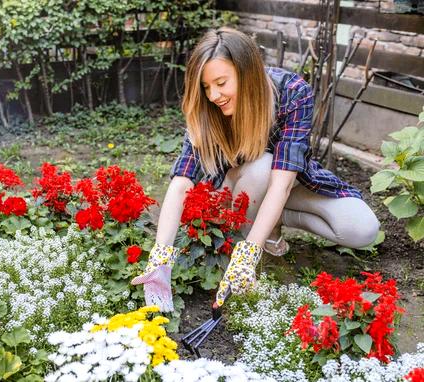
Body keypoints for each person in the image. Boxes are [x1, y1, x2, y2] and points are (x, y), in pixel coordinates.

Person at [130, 27, 380, 312]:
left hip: (285, 184)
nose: (214, 95)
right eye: (206, 87)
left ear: (246, 71)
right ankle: (249, 244)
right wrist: (160, 260)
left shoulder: (292, 92)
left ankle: (269, 225)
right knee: (261, 165)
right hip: (233, 191)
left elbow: (283, 182)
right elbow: (182, 182)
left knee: (363, 230)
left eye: (222, 83)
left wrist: (246, 255)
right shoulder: (205, 110)